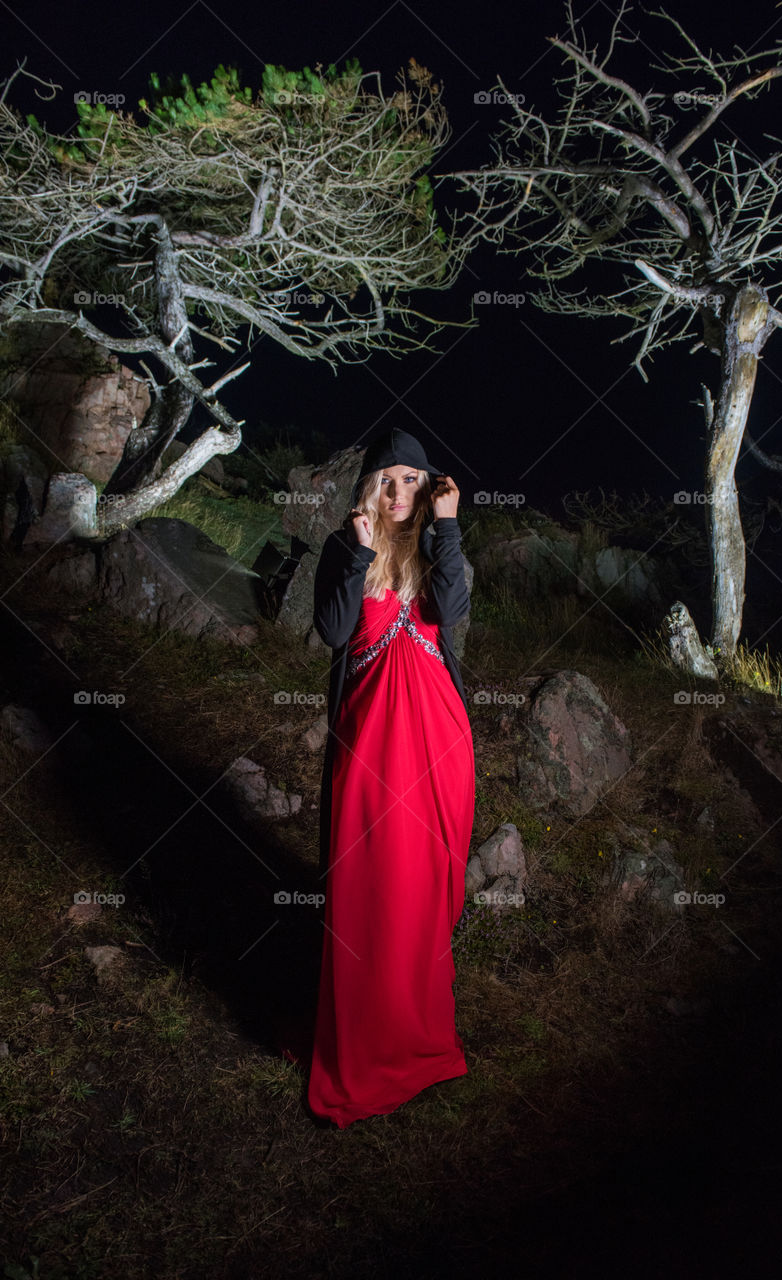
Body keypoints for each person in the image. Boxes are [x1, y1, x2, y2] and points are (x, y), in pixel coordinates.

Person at [307, 427, 475, 1128]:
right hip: (371, 741)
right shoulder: (347, 548)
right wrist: (361, 553)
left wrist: (447, 526)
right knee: (369, 879)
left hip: (439, 738)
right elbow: (333, 629)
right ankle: (364, 1035)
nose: (400, 491)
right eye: (388, 479)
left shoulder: (438, 544)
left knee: (424, 883)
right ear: (369, 486)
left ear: (428, 486)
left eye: (413, 479)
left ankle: (417, 1027)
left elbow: (453, 613)